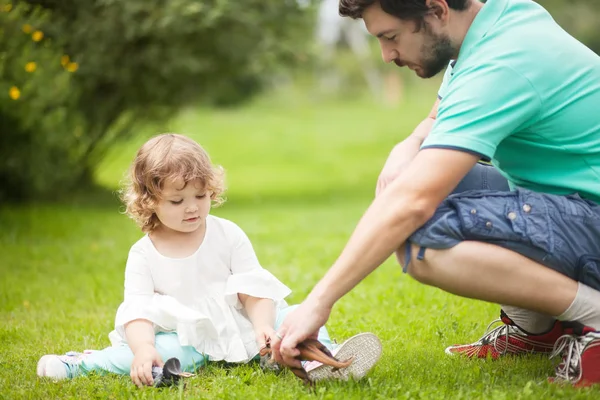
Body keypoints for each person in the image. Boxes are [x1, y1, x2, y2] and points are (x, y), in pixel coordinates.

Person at [271, 0, 600, 388]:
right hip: (575, 205)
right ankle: (536, 329)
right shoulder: (495, 22)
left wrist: (317, 303)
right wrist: (407, 146)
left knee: (421, 244)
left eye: (391, 37)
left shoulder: (501, 64)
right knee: (413, 184)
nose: (387, 54)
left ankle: (594, 316)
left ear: (437, 10)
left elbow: (412, 204)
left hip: (589, 216)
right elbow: (436, 118)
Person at [36, 133, 382, 387]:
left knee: (293, 315)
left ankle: (323, 353)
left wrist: (263, 325)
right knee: (160, 353)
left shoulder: (227, 233)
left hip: (241, 320)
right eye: (177, 200)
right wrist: (143, 349)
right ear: (149, 201)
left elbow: (252, 287)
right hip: (187, 333)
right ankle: (78, 365)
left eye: (200, 196)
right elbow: (138, 311)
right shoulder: (144, 254)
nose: (192, 207)